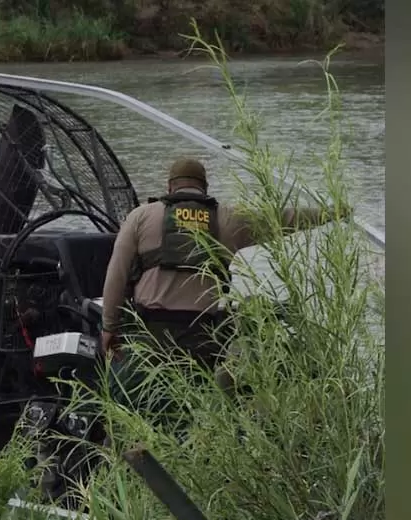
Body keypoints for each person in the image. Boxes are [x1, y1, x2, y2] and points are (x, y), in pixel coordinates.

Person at [99, 157, 346, 409]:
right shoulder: (229, 218)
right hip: (203, 335)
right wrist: (334, 212)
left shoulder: (140, 216)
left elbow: (116, 275)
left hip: (151, 332)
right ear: (204, 187)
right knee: (199, 399)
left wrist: (109, 327)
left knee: (135, 398)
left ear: (170, 186)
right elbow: (284, 218)